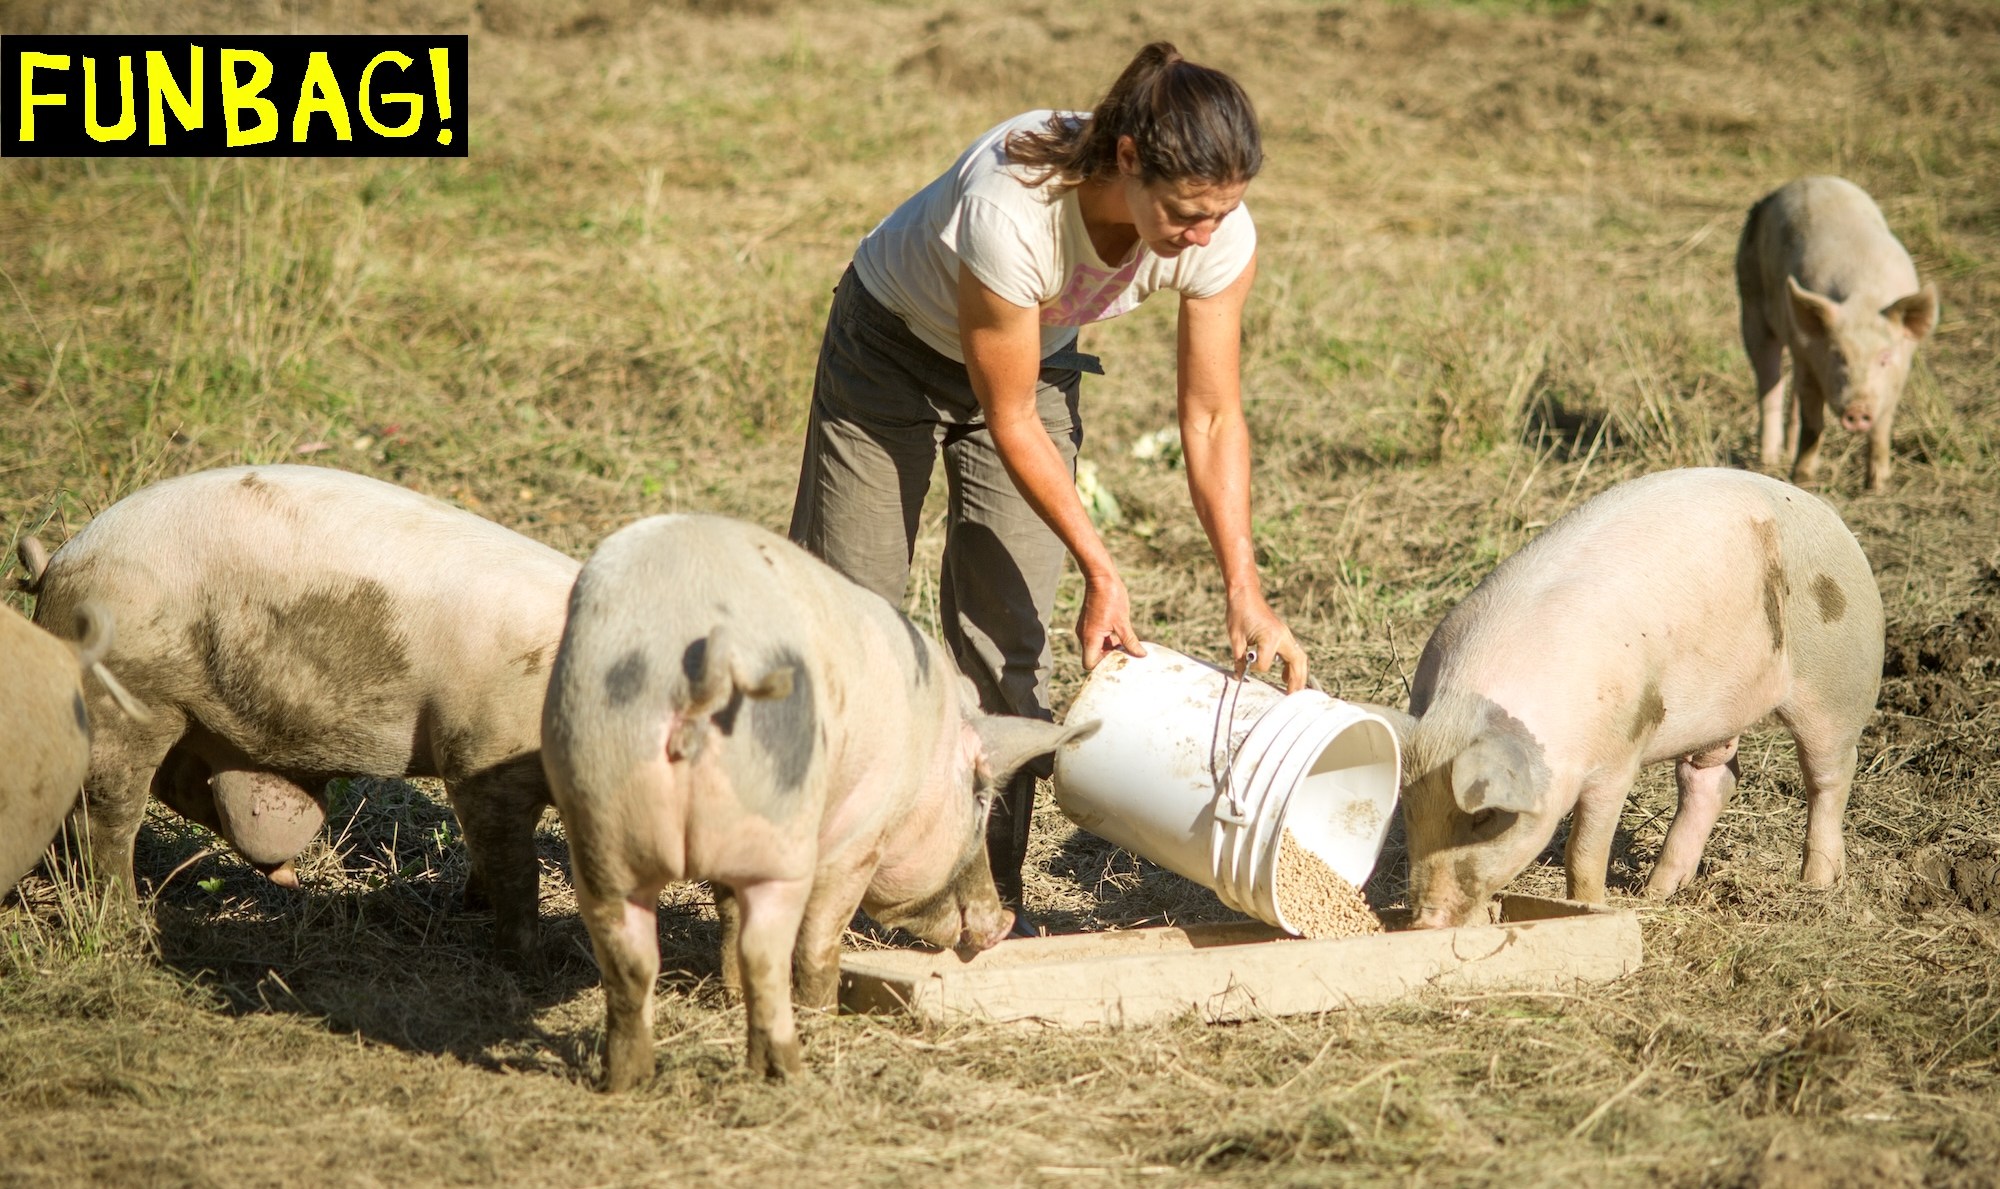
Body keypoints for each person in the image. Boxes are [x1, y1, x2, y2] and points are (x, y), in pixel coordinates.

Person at [788, 41, 1307, 934]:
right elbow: (1010, 414)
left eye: (1221, 213)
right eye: (1186, 214)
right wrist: (1102, 566)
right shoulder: (1014, 202)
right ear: (1131, 161)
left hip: (1035, 373)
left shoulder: (1220, 233)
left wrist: (1245, 590)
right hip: (891, 356)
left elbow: (1213, 417)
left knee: (1007, 647)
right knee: (850, 628)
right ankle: (808, 894)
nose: (1203, 236)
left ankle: (986, 903)